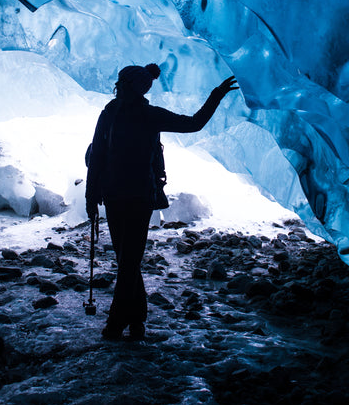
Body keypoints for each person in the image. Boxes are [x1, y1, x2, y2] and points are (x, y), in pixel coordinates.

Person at [85, 64, 239, 340]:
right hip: (133, 196)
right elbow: (193, 123)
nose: (117, 87)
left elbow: (96, 159)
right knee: (127, 260)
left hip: (122, 197)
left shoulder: (117, 115)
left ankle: (117, 323)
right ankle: (136, 320)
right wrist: (90, 197)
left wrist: (91, 196)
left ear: (132, 88)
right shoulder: (138, 115)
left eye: (121, 83)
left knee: (128, 260)